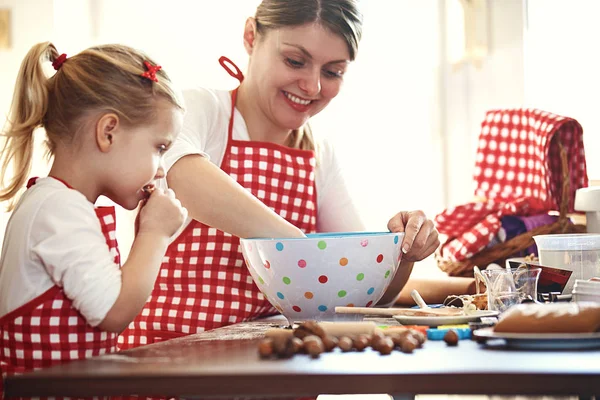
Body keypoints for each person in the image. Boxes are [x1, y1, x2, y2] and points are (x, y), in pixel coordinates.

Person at [120, 0, 440, 349]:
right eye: (295, 61)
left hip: (273, 368)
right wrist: (299, 246)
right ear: (250, 37)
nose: (313, 86)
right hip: (171, 362)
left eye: (332, 72)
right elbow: (182, 177)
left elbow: (357, 291)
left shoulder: (319, 155)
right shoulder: (199, 110)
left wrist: (401, 253)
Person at [0, 42, 187, 394]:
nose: (161, 169)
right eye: (159, 147)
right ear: (108, 132)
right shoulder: (59, 210)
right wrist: (155, 233)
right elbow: (114, 313)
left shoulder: (60, 204)